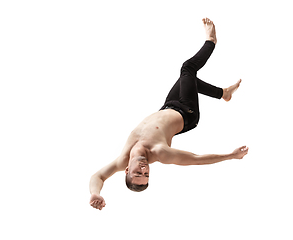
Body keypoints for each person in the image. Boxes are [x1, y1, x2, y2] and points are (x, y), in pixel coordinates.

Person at [89, 18, 249, 210]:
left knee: (187, 80)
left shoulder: (123, 158)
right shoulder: (160, 153)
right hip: (187, 113)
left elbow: (97, 176)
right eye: (146, 174)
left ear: (126, 170)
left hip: (168, 106)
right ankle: (211, 41)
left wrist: (95, 193)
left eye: (138, 174)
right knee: (187, 69)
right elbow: (197, 159)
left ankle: (224, 93)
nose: (144, 170)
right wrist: (230, 156)